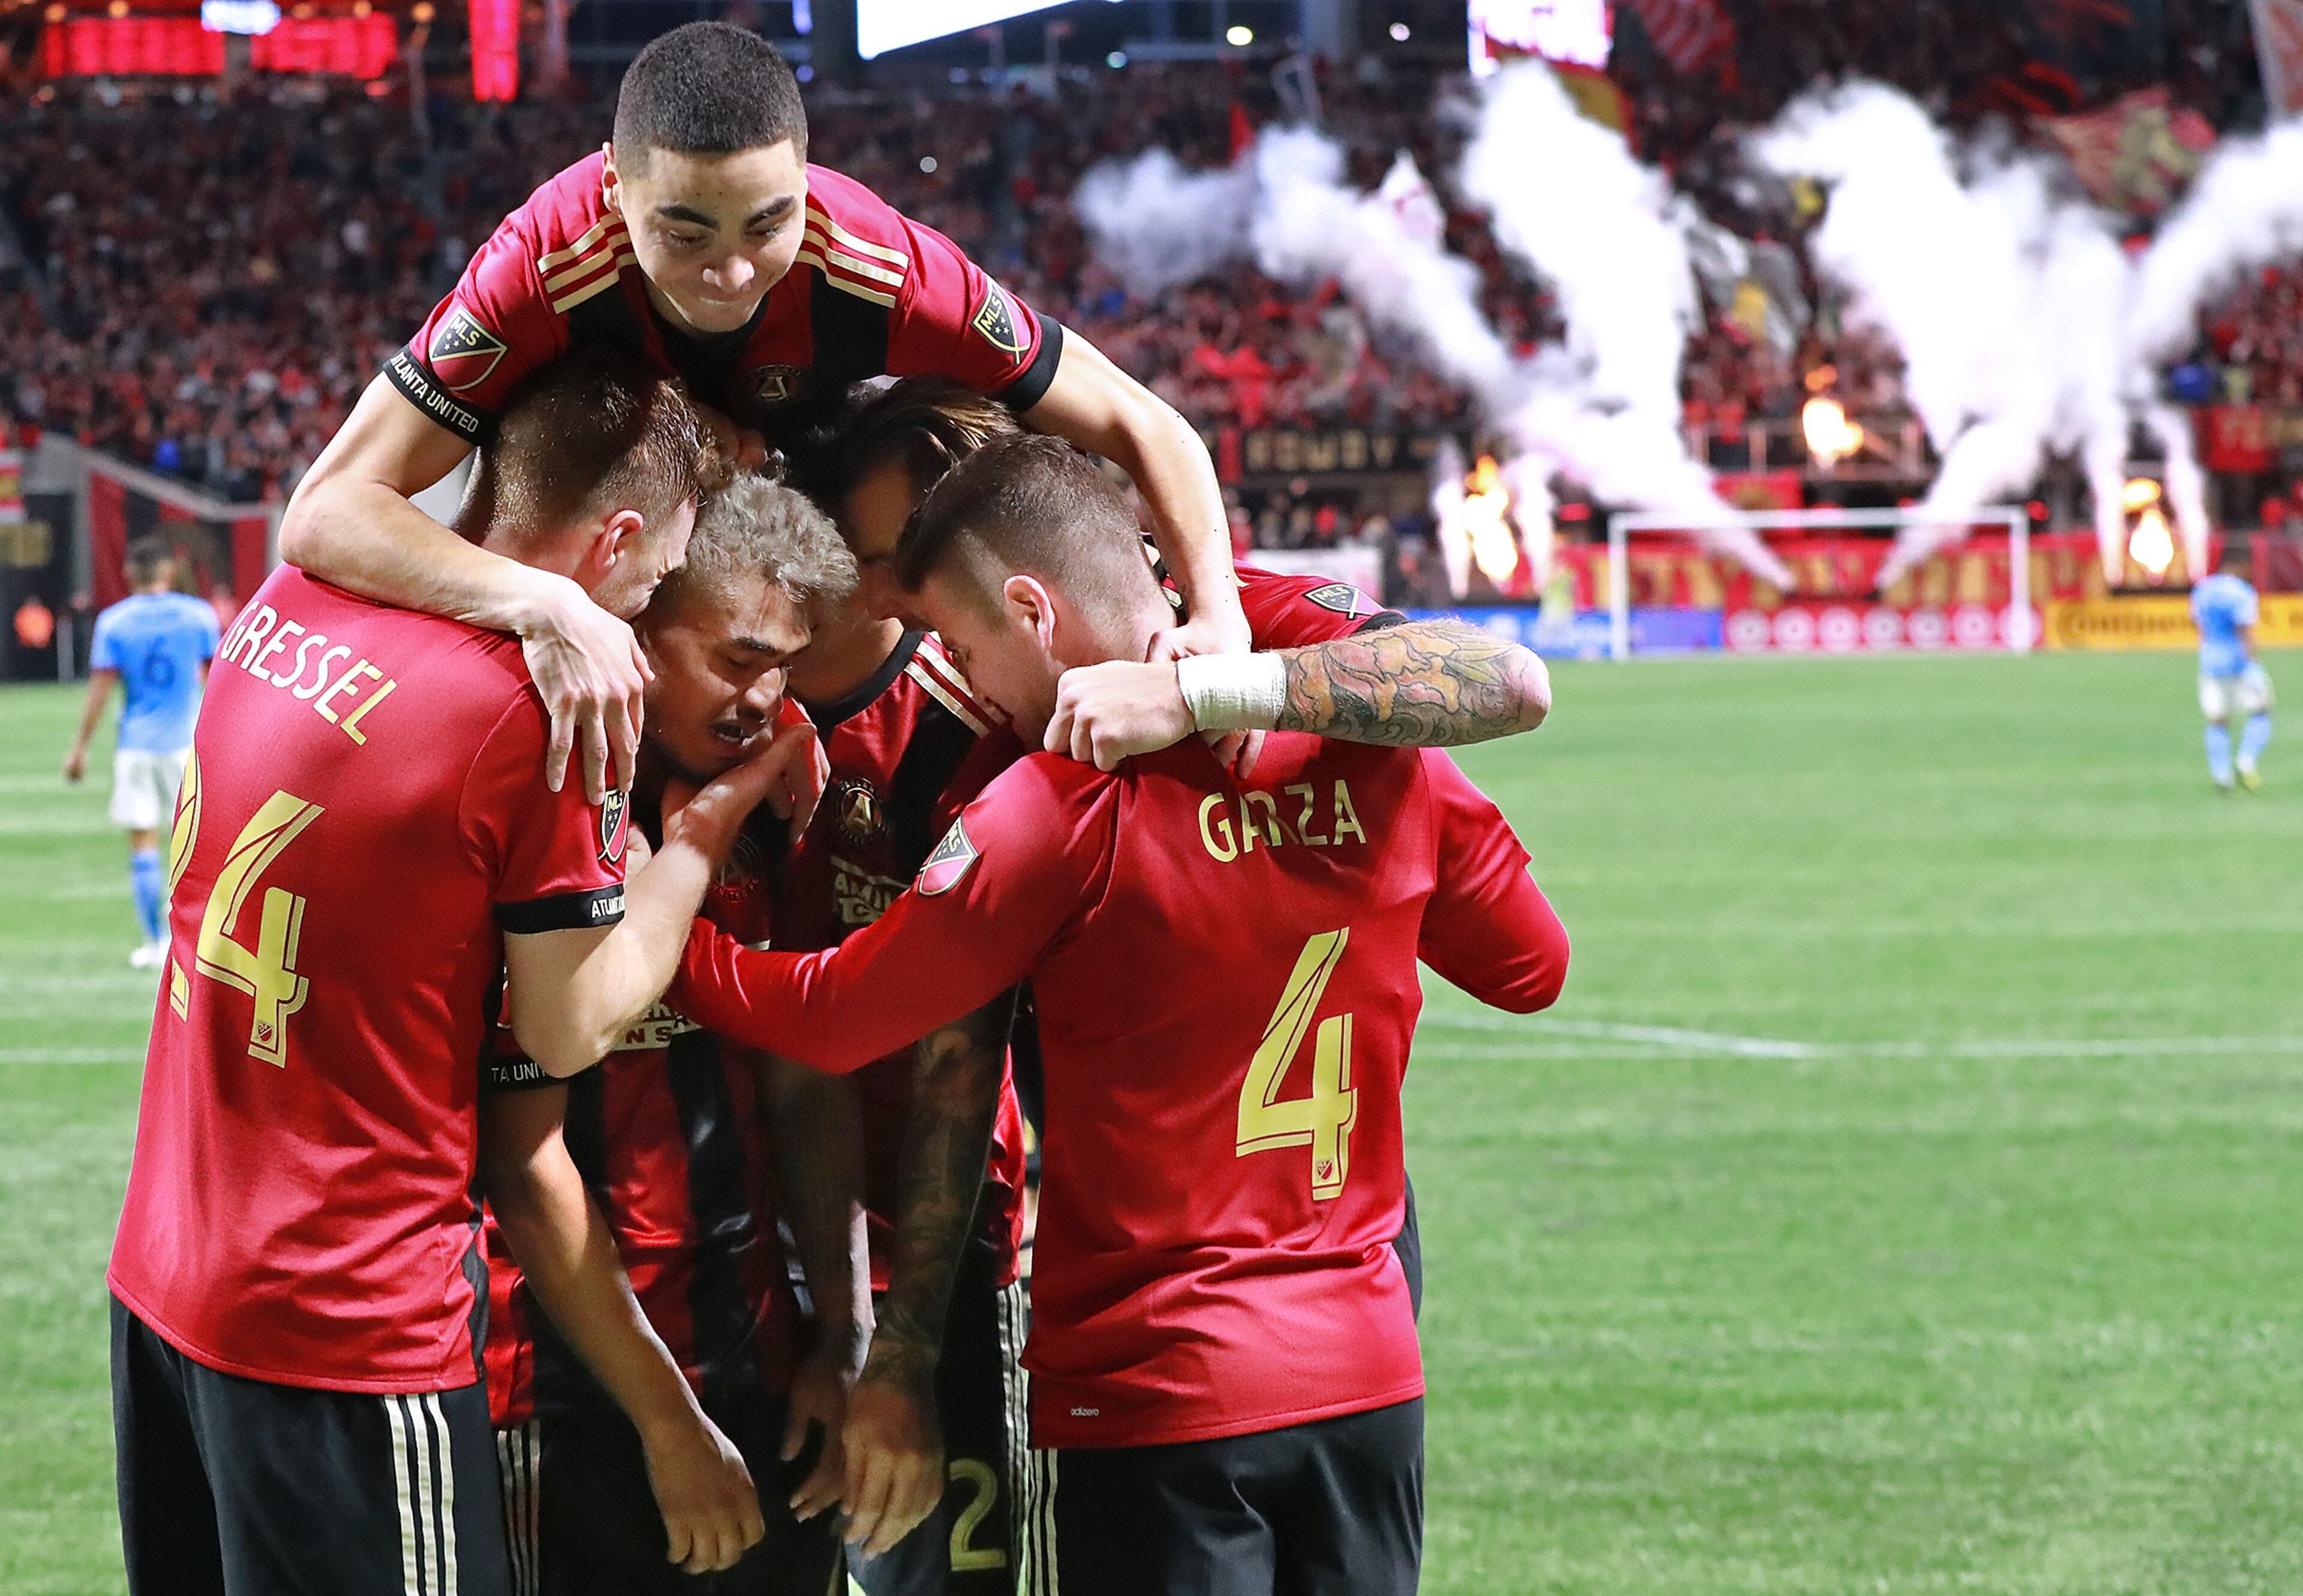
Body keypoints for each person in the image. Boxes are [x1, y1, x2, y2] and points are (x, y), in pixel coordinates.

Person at [671, 434, 1572, 1596]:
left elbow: (837, 1018)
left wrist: (663, 923)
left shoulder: (1050, 804)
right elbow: (1529, 967)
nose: (964, 682)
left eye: (962, 643)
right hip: (1366, 1373)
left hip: (1159, 1384)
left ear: (1033, 610)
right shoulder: (1385, 751)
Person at [106, 351, 818, 1596]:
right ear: (622, 539)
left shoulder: (294, 593)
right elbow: (568, 1029)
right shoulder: (541, 710)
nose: (644, 611)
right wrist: (702, 836)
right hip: (346, 1319)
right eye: (654, 577)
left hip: (166, 1285)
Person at [279, 22, 1247, 810]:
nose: (732, 273)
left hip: (780, 571)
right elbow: (325, 511)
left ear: (808, 180)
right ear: (617, 193)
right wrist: (546, 604)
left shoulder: (886, 268)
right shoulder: (541, 267)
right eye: (684, 230)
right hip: (610, 598)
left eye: (768, 222)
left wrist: (1218, 616)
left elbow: (1143, 422)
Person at [481, 472, 865, 1594]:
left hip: (754, 1367)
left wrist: (839, 1339)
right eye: (737, 659)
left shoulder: (761, 813)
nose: (762, 698)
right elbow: (520, 1153)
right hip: (558, 1391)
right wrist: (667, 1422)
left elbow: (803, 1086)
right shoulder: (545, 789)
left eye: (783, 667)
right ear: (635, 626)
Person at [62, 539, 219, 968]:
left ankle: (155, 944)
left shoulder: (115, 622)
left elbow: (100, 689)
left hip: (136, 745)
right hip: (187, 748)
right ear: (168, 571)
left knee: (143, 845)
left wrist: (79, 747)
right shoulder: (198, 615)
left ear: (130, 574)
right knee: (189, 849)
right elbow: (218, 682)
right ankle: (196, 944)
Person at [2192, 541, 2272, 791]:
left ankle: (2221, 775)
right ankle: (2246, 760)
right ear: (2238, 564)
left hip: (2210, 662)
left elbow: (2197, 624)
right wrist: (2253, 660)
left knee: (2217, 720)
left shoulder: (2203, 590)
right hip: (2238, 662)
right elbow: (2245, 629)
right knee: (2261, 710)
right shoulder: (2241, 592)